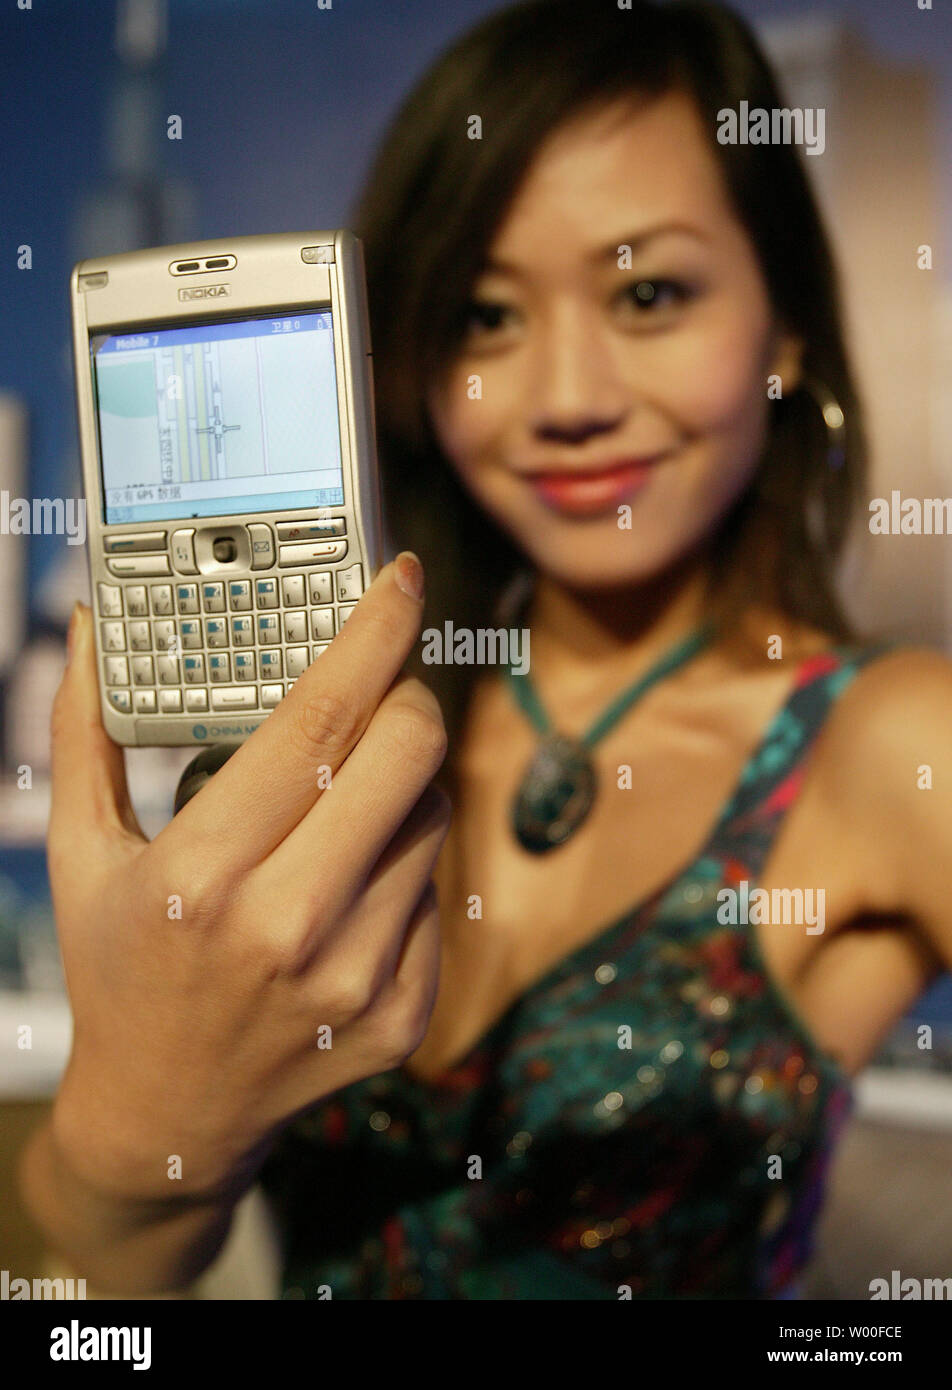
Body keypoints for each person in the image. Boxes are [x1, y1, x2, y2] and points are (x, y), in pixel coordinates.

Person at [20, 0, 952, 1300]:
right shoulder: (346, 731)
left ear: (786, 327)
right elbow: (104, 1254)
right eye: (485, 317)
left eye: (648, 291)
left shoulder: (896, 741)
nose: (567, 396)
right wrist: (140, 1118)